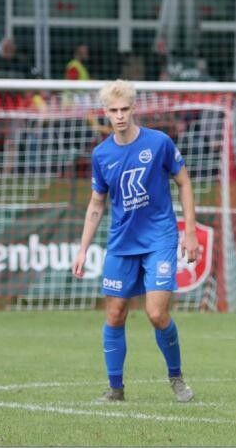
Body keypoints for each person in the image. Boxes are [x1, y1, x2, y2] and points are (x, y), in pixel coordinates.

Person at [71, 80, 199, 403]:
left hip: (160, 237)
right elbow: (97, 203)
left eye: (125, 109)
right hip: (121, 242)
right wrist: (83, 247)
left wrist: (192, 230)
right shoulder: (102, 154)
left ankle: (177, 378)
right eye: (113, 111)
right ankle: (115, 388)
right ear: (106, 113)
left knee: (156, 313)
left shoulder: (159, 143)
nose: (120, 116)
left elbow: (183, 182)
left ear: (134, 108)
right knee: (114, 314)